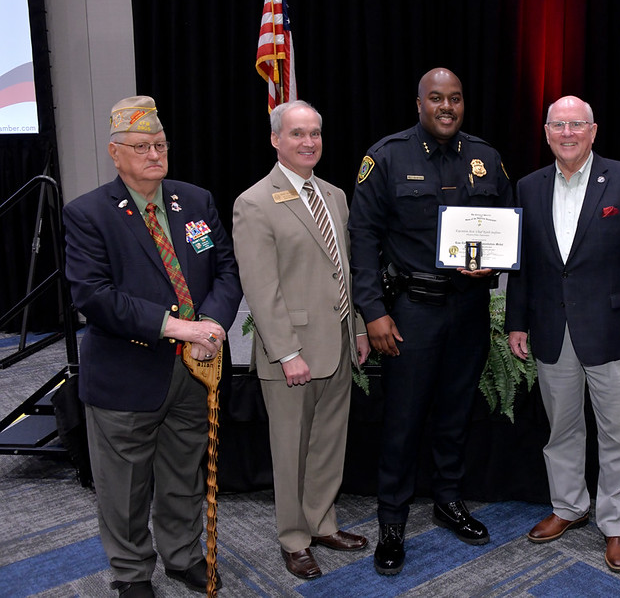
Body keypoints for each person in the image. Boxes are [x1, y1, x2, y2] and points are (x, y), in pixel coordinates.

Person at [63, 96, 242, 598]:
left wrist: (211, 323)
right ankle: (132, 573)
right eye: (140, 147)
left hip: (194, 369)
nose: (153, 154)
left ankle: (183, 555)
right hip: (126, 372)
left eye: (159, 145)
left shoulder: (196, 200)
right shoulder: (88, 214)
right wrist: (177, 328)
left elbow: (226, 270)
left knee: (184, 470)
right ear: (115, 154)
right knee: (124, 488)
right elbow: (94, 297)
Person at [348, 67, 514, 576]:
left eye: (456, 99)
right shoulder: (387, 156)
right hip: (411, 312)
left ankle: (448, 500)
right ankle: (391, 522)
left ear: (464, 104)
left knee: (456, 413)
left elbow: (507, 225)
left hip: (467, 309)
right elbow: (363, 238)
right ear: (418, 102)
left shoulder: (485, 158)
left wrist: (497, 261)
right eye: (437, 98)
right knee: (402, 421)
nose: (447, 107)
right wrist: (373, 311)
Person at [506, 95, 620, 573]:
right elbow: (523, 265)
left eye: (577, 124)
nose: (567, 133)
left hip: (614, 332)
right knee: (562, 430)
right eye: (558, 125)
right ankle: (569, 506)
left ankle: (616, 525)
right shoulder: (529, 187)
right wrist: (517, 321)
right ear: (547, 132)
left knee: (619, 435)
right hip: (552, 330)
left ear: (593, 131)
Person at [232, 100, 370, 581]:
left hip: (337, 344)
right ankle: (293, 538)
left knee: (328, 444)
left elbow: (343, 271)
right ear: (275, 140)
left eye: (315, 133)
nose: (309, 142)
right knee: (290, 450)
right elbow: (261, 288)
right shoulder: (253, 202)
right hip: (290, 354)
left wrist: (355, 328)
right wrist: (287, 351)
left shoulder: (333, 195)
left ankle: (322, 522)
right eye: (297, 134)